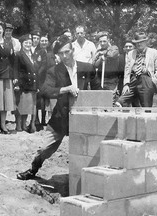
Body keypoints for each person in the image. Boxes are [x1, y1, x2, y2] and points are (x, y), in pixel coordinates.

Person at [16, 35, 100, 180]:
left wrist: (116, 99)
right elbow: (45, 90)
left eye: (67, 52)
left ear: (73, 50)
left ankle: (87, 179)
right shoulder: (54, 71)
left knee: (87, 151)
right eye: (61, 53)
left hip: (83, 118)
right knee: (44, 148)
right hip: (60, 118)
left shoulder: (87, 68)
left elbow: (98, 89)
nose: (65, 56)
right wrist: (66, 89)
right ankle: (33, 170)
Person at [116, 32, 157, 107]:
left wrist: (154, 80)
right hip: (133, 80)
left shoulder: (154, 52)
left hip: (146, 80)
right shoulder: (131, 53)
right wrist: (126, 84)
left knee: (146, 106)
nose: (139, 44)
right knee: (120, 102)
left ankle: (146, 117)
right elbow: (127, 70)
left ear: (145, 42)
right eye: (137, 43)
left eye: (141, 42)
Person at [15, 34, 39, 133]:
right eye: (26, 43)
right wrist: (16, 82)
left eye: (30, 43)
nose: (28, 44)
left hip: (32, 83)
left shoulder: (32, 55)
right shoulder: (19, 55)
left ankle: (24, 124)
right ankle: (19, 125)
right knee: (21, 105)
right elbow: (15, 68)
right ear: (22, 43)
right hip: (23, 83)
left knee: (28, 106)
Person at [34, 34, 56, 130]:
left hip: (49, 78)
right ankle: (37, 120)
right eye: (42, 41)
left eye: (45, 41)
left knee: (47, 100)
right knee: (40, 100)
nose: (43, 42)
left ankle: (44, 119)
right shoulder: (36, 52)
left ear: (48, 42)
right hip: (40, 78)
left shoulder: (51, 53)